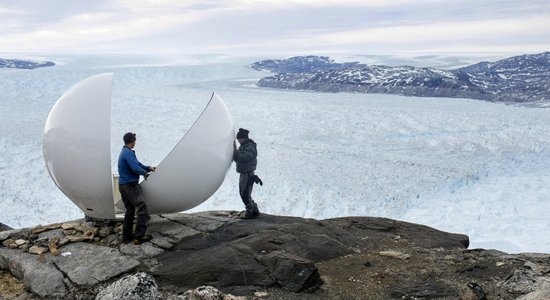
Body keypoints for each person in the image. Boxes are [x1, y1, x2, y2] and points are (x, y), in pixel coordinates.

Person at [117, 132, 156, 244]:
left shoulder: (125, 152)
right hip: (130, 186)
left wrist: (148, 168)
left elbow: (138, 164)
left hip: (123, 186)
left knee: (130, 211)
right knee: (142, 208)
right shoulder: (128, 153)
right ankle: (139, 237)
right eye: (135, 140)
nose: (135, 142)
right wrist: (144, 173)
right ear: (132, 141)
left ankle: (126, 237)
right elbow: (135, 168)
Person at [233, 128, 261, 219]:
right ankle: (255, 211)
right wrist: (235, 152)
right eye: (238, 139)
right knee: (245, 193)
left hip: (247, 173)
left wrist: (235, 152)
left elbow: (244, 157)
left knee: (244, 193)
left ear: (244, 138)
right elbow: (238, 159)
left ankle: (249, 213)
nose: (238, 140)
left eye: (240, 138)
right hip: (245, 172)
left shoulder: (250, 146)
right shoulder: (244, 145)